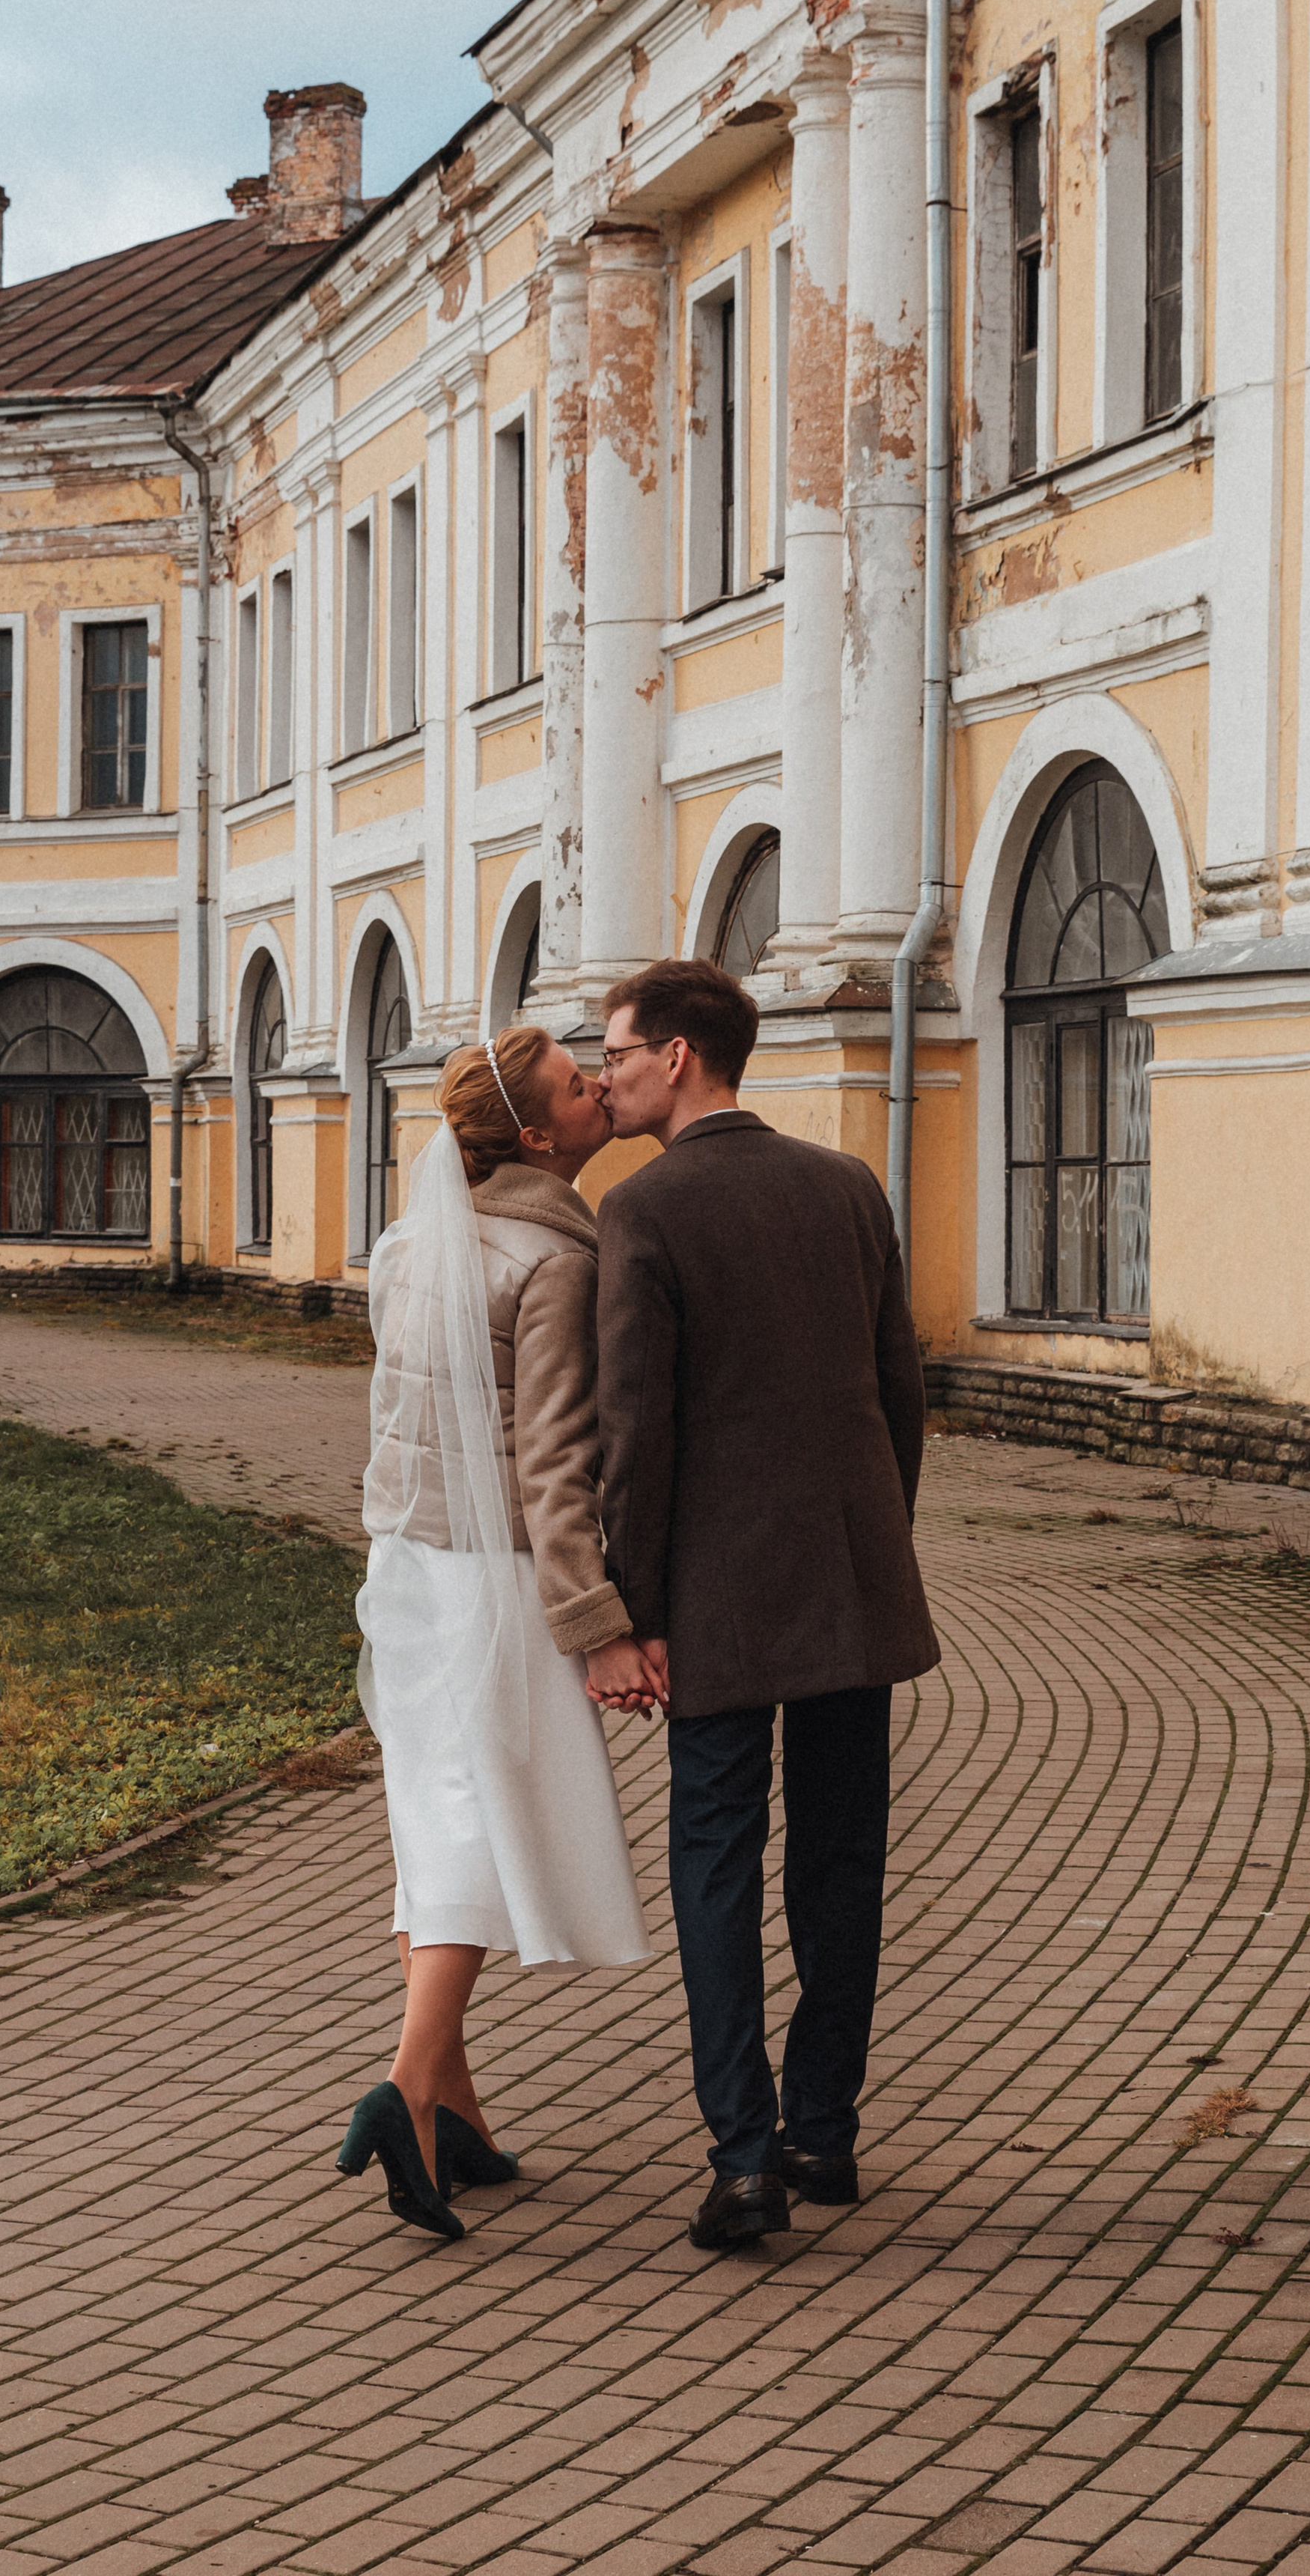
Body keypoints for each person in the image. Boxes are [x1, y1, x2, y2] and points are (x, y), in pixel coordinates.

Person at [594, 959, 939, 2252]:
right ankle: (824, 2133)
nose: (609, 1070)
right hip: (851, 1578)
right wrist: (872, 1533)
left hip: (718, 1592)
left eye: (619, 1050)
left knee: (716, 1862)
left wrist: (634, 1602)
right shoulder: (847, 1185)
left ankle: (744, 2157)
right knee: (845, 1856)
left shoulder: (650, 1209)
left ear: (679, 1057)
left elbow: (639, 1428)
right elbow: (900, 1390)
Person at [337, 1026, 659, 2241]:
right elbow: (554, 1463)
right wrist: (598, 1619)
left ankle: (457, 2110)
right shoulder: (554, 1258)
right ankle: (410, 2090)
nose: (599, 1092)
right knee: (484, 1815)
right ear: (534, 1135)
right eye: (579, 1088)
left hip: (405, 1562)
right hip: (497, 1577)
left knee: (434, 1809)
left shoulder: (410, 1238)